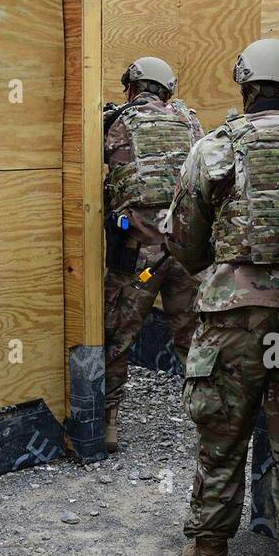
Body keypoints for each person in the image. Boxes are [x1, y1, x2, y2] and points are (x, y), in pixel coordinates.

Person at [165, 39, 279, 556]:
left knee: (221, 435)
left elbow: (183, 241)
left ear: (244, 83)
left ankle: (209, 555)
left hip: (232, 314)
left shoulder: (216, 148)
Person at [103, 56, 203, 453]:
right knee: (195, 339)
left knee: (116, 336)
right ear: (167, 89)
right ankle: (207, 424)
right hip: (186, 251)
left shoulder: (115, 122)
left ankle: (108, 422)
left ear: (132, 87)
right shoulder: (191, 122)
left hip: (137, 254)